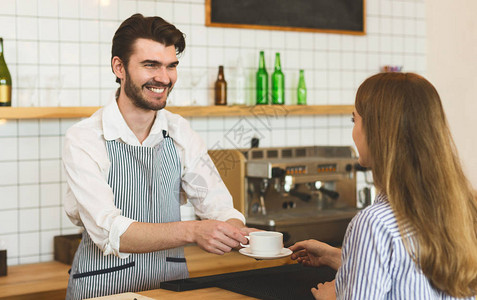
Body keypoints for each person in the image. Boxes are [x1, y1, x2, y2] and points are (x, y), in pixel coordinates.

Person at [62, 14, 252, 299]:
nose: (164, 78)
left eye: (171, 66)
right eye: (151, 65)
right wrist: (193, 231)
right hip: (102, 291)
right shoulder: (85, 138)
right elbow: (111, 231)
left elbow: (220, 208)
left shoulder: (180, 132)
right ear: (119, 67)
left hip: (170, 290)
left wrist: (236, 233)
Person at [290, 72, 477, 299]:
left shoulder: (374, 223)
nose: (353, 132)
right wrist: (340, 257)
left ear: (377, 131)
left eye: (354, 120)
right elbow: (413, 273)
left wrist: (331, 297)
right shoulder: (464, 207)